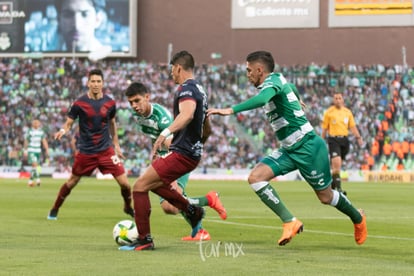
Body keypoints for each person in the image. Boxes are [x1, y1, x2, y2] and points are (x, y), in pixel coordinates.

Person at [207, 50, 367, 246]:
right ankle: (290, 221)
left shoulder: (272, 83)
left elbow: (262, 100)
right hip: (289, 149)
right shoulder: (277, 82)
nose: (247, 74)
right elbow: (289, 86)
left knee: (325, 197)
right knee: (255, 178)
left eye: (249, 70)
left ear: (260, 70)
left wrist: (230, 110)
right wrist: (296, 98)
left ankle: (357, 218)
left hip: (308, 146)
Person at [119, 50, 209, 251]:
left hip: (181, 152)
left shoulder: (186, 89)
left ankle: (145, 239)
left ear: (178, 67)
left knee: (139, 187)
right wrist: (199, 144)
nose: (171, 74)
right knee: (155, 186)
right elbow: (206, 125)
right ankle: (192, 211)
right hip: (189, 151)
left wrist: (165, 134)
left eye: (172, 70)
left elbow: (186, 116)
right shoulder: (199, 90)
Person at [125, 81, 227, 241]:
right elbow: (155, 137)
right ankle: (204, 210)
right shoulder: (139, 116)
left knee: (166, 196)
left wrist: (165, 158)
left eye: (137, 101)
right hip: (165, 158)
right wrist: (156, 154)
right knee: (168, 207)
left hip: (177, 156)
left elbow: (172, 141)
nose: (134, 106)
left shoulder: (161, 116)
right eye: (131, 102)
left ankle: (206, 207)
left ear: (147, 97)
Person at [47, 69, 133, 220]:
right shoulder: (79, 103)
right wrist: (62, 130)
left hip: (106, 151)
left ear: (103, 83)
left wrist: (116, 145)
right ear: (88, 83)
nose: (95, 84)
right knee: (72, 182)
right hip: (86, 152)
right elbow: (69, 123)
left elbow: (112, 123)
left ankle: (127, 206)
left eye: (98, 81)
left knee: (126, 184)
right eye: (93, 81)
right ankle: (55, 208)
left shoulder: (110, 103)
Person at [321, 92, 364, 195]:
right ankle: (339, 190)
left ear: (343, 100)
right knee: (336, 164)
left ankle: (332, 185)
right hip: (333, 140)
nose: (338, 100)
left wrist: (358, 137)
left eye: (340, 98)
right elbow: (324, 129)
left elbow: (352, 127)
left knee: (338, 165)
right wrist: (321, 141)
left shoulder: (347, 112)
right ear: (333, 100)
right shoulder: (329, 112)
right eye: (336, 98)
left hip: (345, 141)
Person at [23, 119, 49, 187]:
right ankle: (37, 179)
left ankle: (30, 181)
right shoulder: (29, 131)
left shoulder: (41, 132)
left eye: (37, 123)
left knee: (34, 166)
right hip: (31, 150)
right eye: (34, 123)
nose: (36, 124)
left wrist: (47, 149)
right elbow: (26, 141)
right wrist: (25, 150)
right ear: (32, 124)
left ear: (39, 124)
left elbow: (44, 141)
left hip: (38, 150)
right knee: (35, 164)